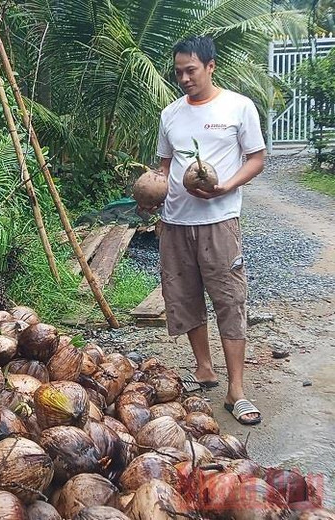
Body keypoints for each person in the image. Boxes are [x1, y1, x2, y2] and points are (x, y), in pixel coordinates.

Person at [143, 35, 266, 425]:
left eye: (190, 70)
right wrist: (152, 190)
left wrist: (227, 186)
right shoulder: (170, 115)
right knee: (184, 296)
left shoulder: (238, 106)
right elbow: (164, 167)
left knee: (229, 299)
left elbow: (257, 158)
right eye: (178, 71)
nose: (183, 78)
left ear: (211, 66)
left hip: (218, 221)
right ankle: (204, 369)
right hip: (176, 222)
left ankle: (237, 391)